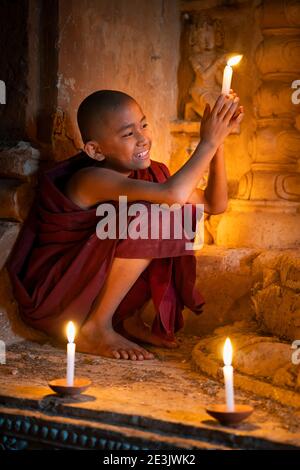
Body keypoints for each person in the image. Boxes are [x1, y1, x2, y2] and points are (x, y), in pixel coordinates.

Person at [7, 89, 244, 361]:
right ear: (95, 150)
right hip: (59, 295)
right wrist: (207, 142)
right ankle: (96, 326)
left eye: (143, 125)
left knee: (170, 216)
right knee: (155, 217)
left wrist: (219, 142)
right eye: (128, 134)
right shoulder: (90, 179)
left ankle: (125, 318)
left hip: (88, 287)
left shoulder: (150, 174)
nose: (143, 138)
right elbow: (173, 195)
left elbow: (215, 205)